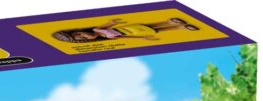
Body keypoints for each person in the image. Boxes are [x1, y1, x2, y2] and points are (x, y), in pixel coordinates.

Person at [53, 17, 199, 43]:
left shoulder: (97, 29)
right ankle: (179, 27)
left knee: (151, 24)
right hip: (132, 33)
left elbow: (106, 26)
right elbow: (124, 38)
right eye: (83, 39)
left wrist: (112, 22)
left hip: (127, 28)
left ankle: (168, 22)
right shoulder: (107, 38)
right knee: (154, 31)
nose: (85, 36)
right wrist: (143, 38)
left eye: (81, 35)